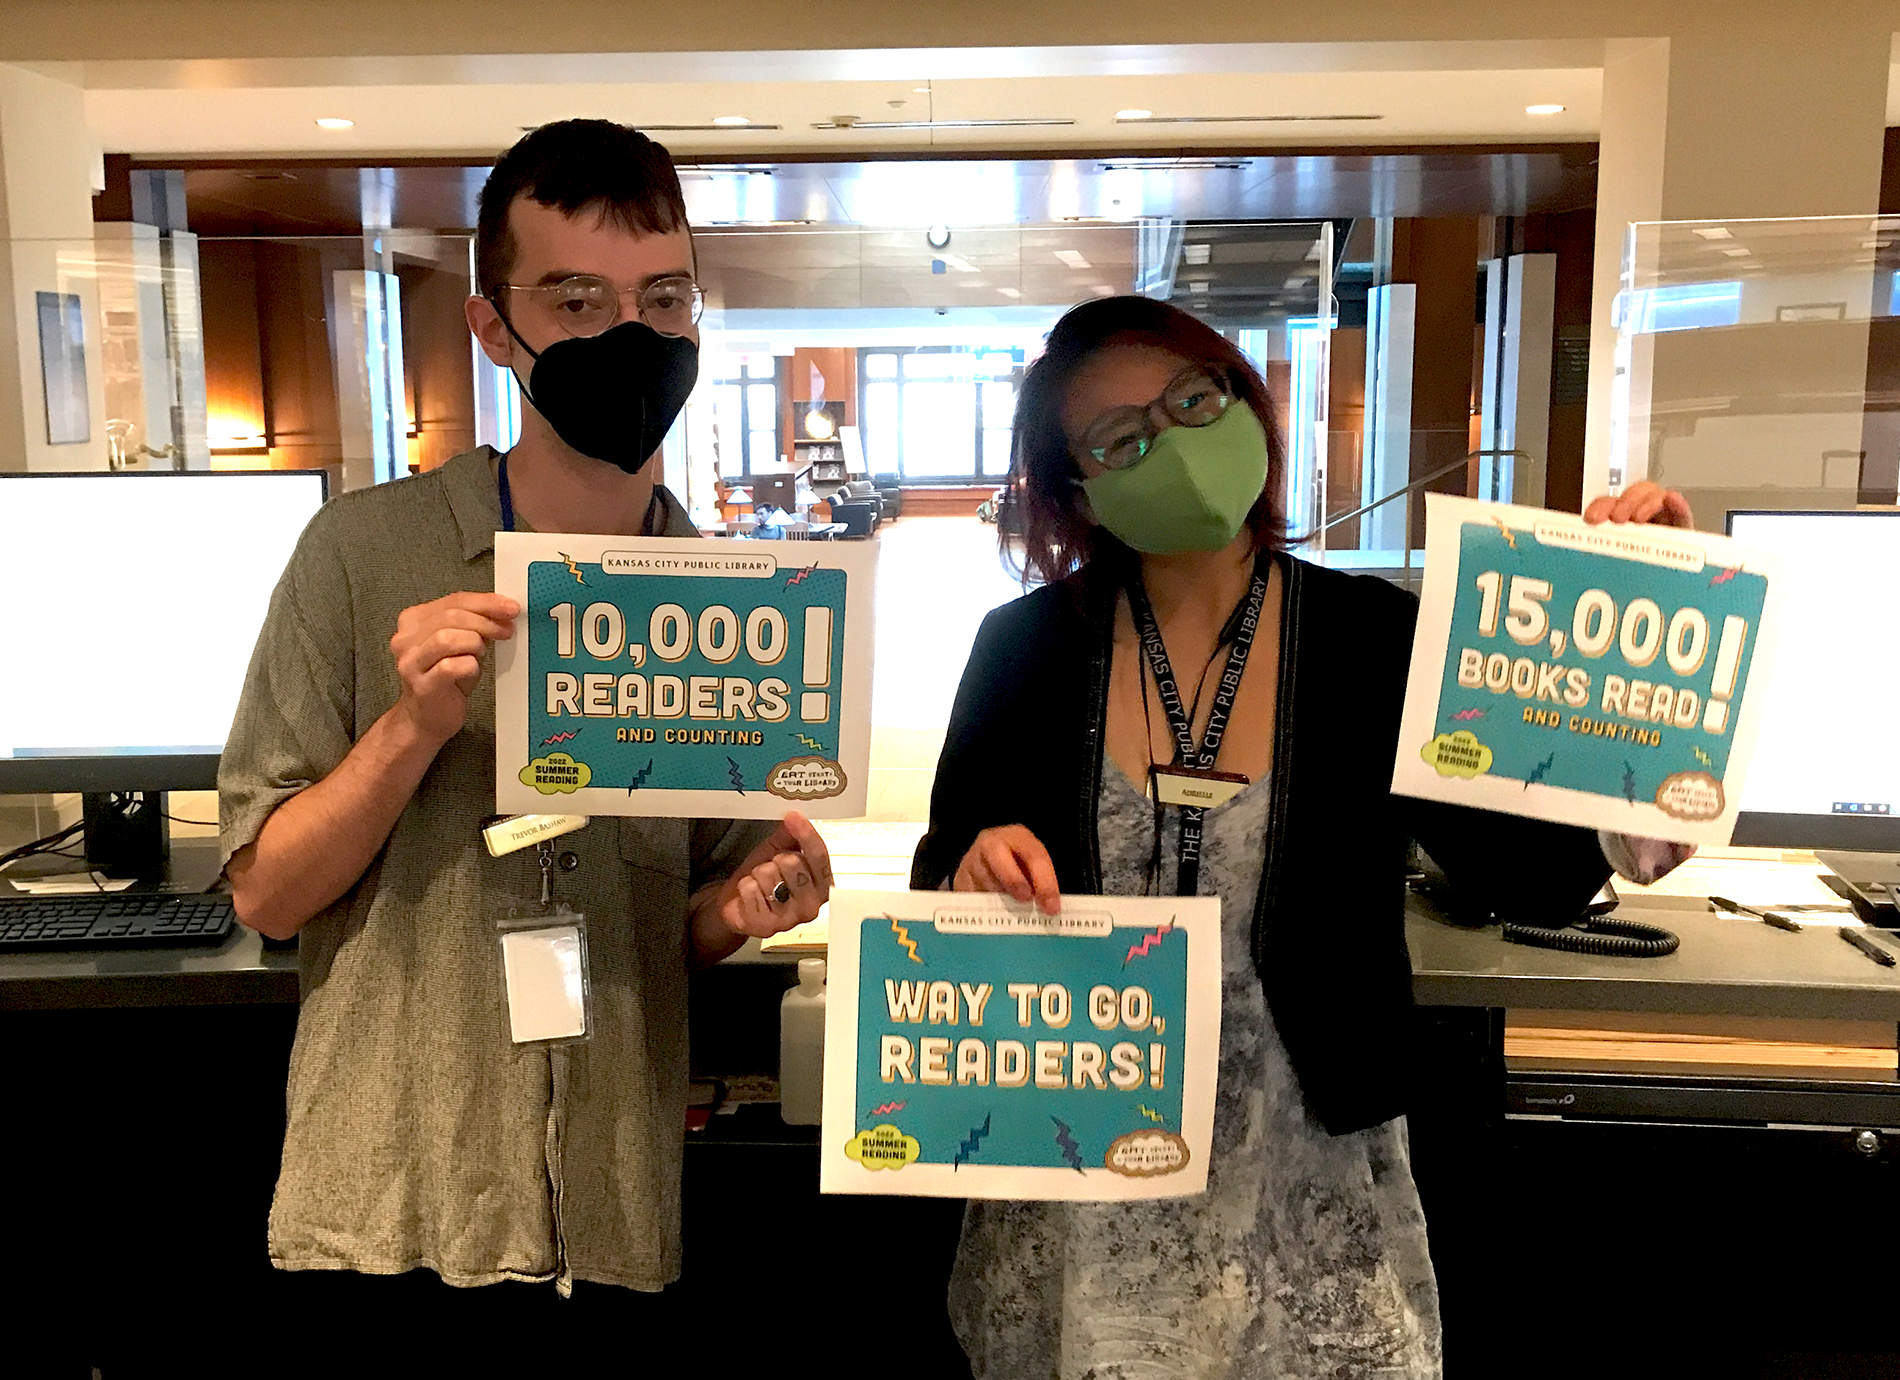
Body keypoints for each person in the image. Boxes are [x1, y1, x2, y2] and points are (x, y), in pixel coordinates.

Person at [910, 294, 1693, 1379]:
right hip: (1077, 1204)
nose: (1171, 443)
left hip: (1313, 1202)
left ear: (1244, 403)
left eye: (1192, 401)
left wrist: (1644, 630)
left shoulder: (1375, 639)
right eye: (1120, 438)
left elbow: (1532, 874)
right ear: (1075, 487)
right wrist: (972, 866)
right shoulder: (1023, 650)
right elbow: (942, 873)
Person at [218, 120, 830, 1355]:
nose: (631, 336)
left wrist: (739, 911)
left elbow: (677, 923)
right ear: (495, 330)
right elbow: (269, 894)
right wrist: (410, 728)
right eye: (577, 301)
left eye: (664, 299)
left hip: (608, 1211)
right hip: (391, 1206)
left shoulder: (727, 609)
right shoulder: (359, 555)